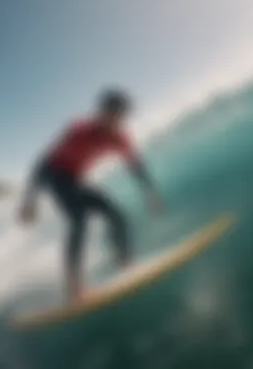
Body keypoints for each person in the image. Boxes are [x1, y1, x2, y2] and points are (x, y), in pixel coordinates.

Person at [17, 88, 164, 303]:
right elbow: (42, 164)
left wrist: (150, 192)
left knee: (117, 215)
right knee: (79, 221)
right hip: (55, 176)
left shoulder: (120, 138)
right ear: (101, 111)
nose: (116, 119)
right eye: (112, 113)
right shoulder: (78, 130)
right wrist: (30, 200)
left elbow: (135, 166)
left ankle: (124, 262)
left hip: (76, 179)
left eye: (121, 115)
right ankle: (74, 287)